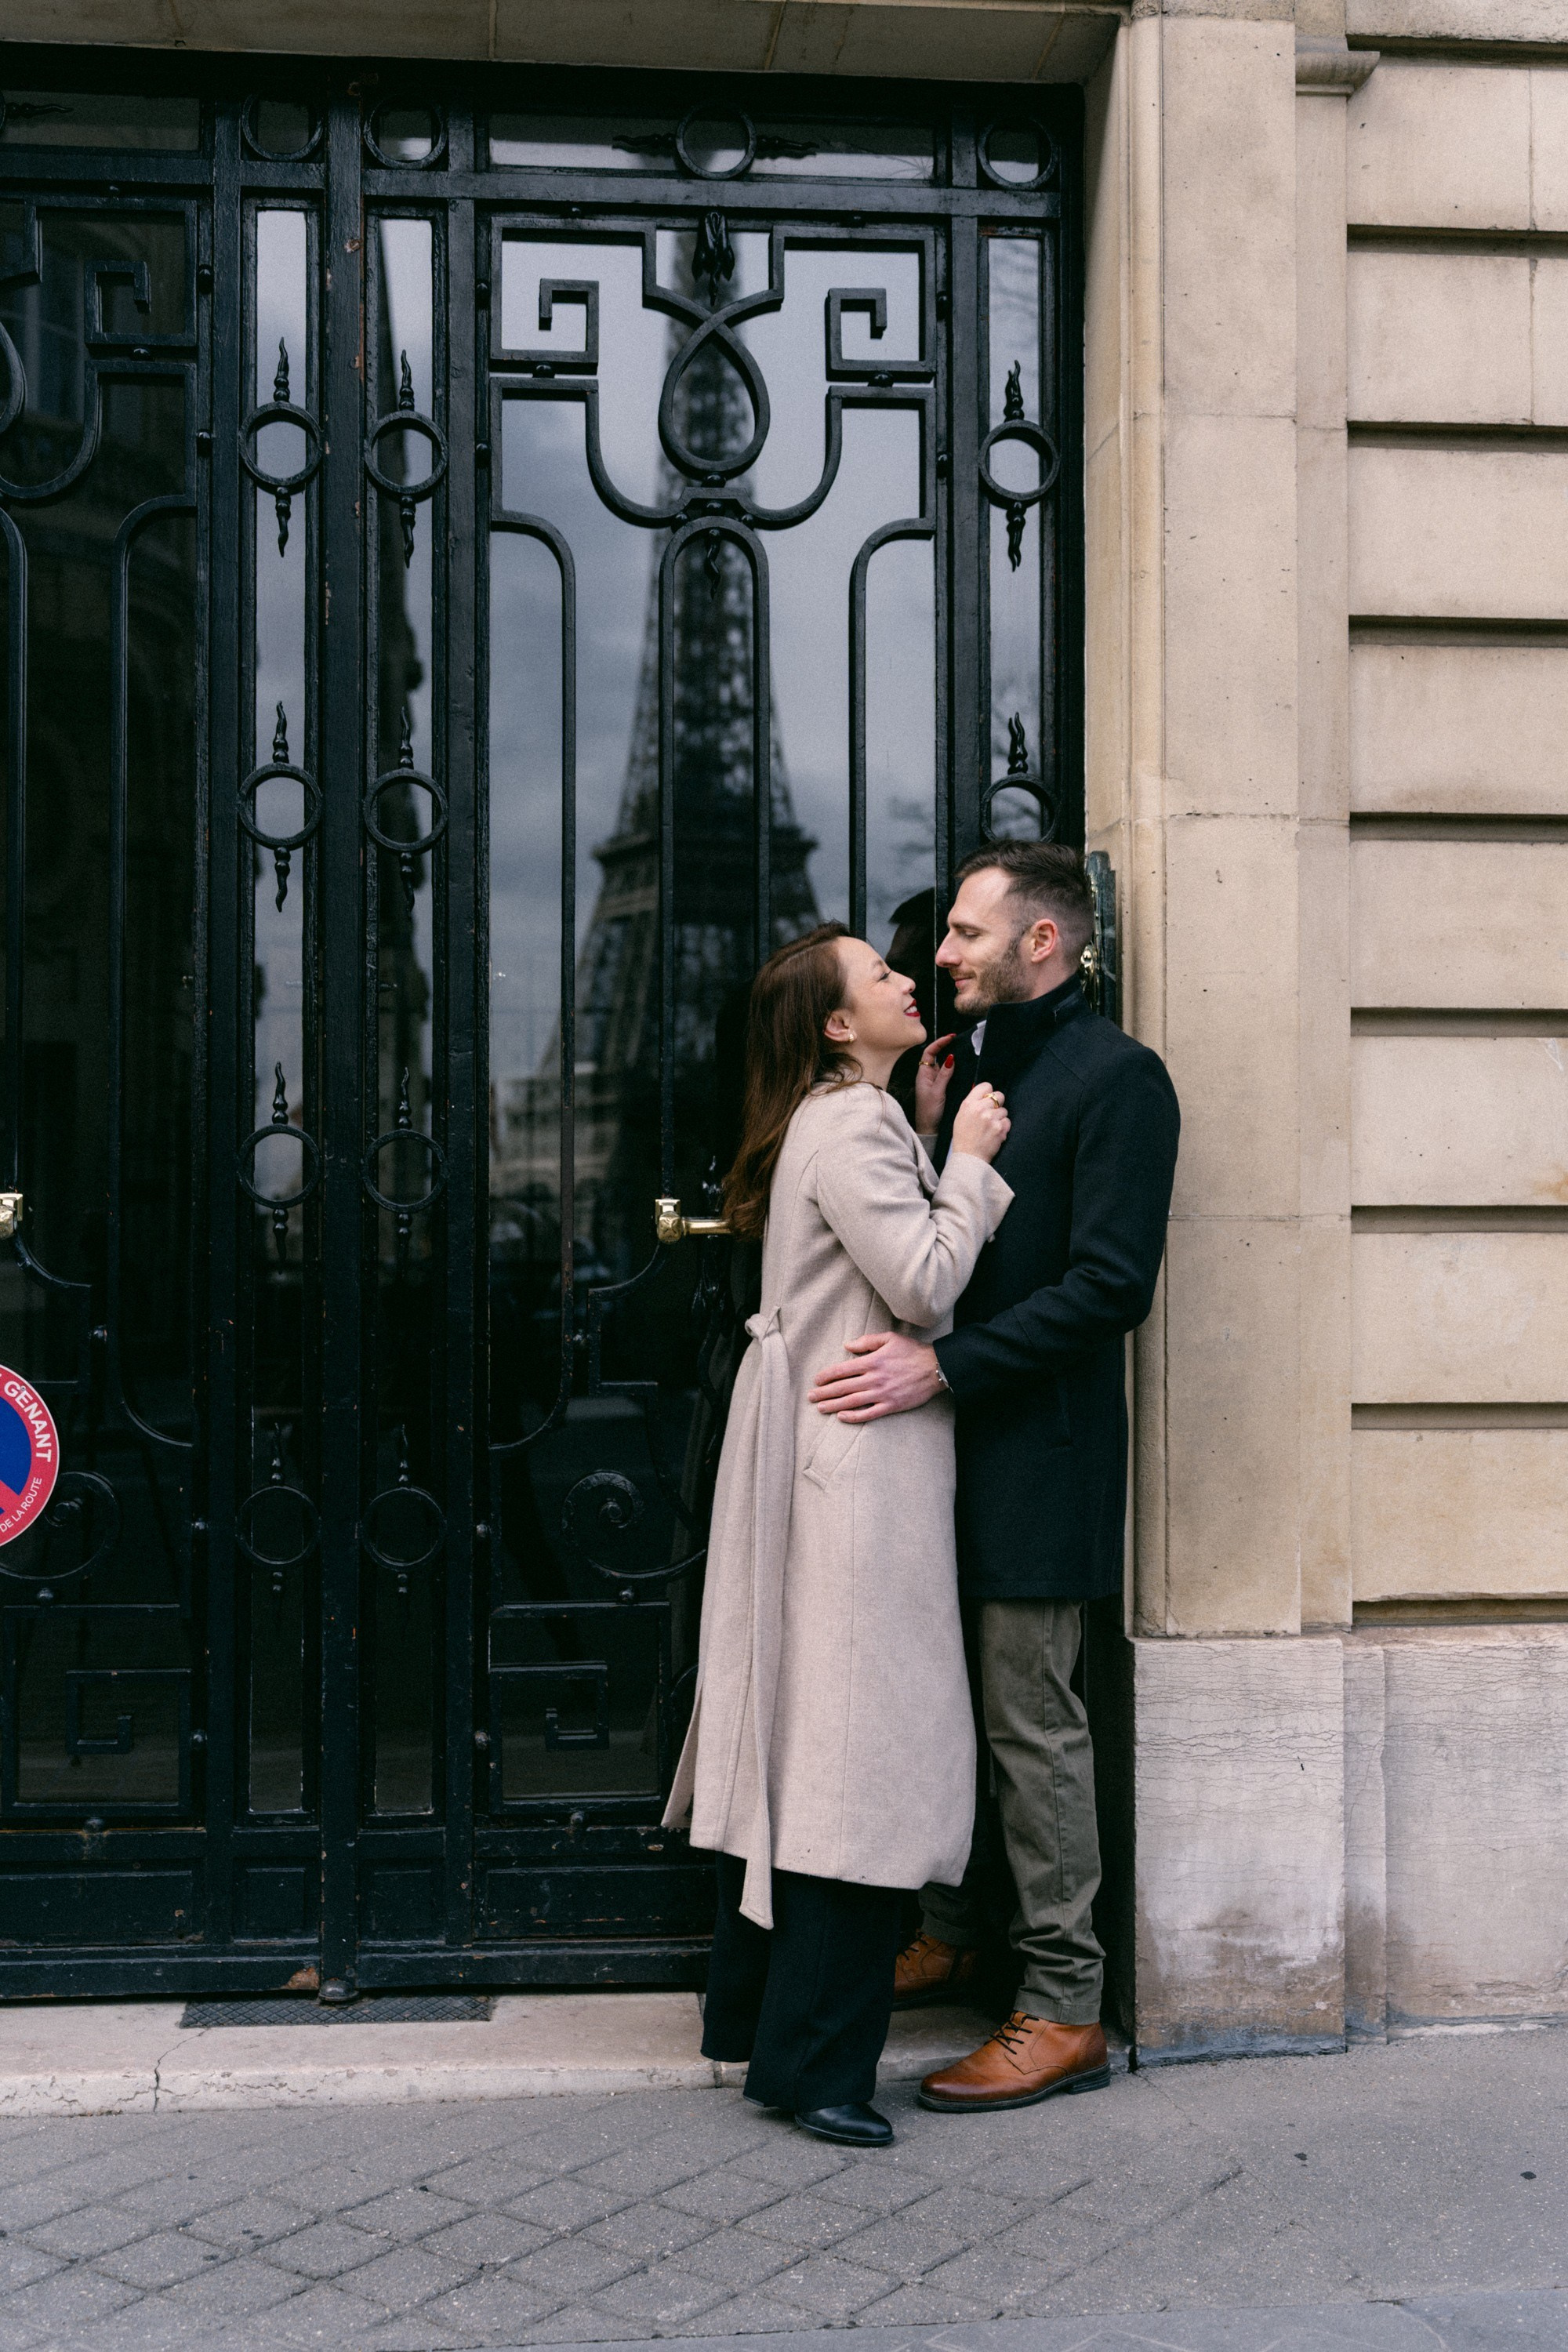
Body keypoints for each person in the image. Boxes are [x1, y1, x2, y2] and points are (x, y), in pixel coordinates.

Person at [808, 843, 1180, 2112]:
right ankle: (957, 1928)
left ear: (1043, 943)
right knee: (942, 1707)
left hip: (1037, 1459)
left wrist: (943, 1369)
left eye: (967, 933)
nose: (941, 954)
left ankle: (1065, 2004)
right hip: (940, 1455)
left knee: (1032, 1727)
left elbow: (1108, 1288)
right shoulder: (955, 1072)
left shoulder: (1122, 1080)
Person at [663, 920, 1014, 2148]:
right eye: (880, 976)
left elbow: (855, 1257)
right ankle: (819, 2071)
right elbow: (920, 1285)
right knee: (863, 1760)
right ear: (832, 1020)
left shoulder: (839, 1120)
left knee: (821, 1745)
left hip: (815, 1459)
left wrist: (916, 1132)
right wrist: (965, 1158)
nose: (909, 980)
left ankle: (777, 2038)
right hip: (855, 1473)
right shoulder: (850, 1124)